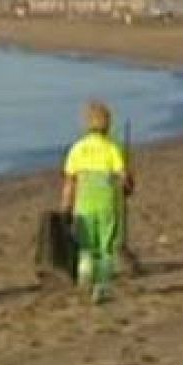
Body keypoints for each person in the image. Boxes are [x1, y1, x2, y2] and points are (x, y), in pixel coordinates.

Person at [60, 101, 130, 304]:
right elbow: (124, 178)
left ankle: (84, 276)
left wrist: (66, 206)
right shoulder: (112, 148)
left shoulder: (78, 149)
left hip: (84, 204)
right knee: (106, 246)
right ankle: (102, 286)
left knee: (86, 245)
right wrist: (127, 185)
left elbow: (69, 182)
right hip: (107, 203)